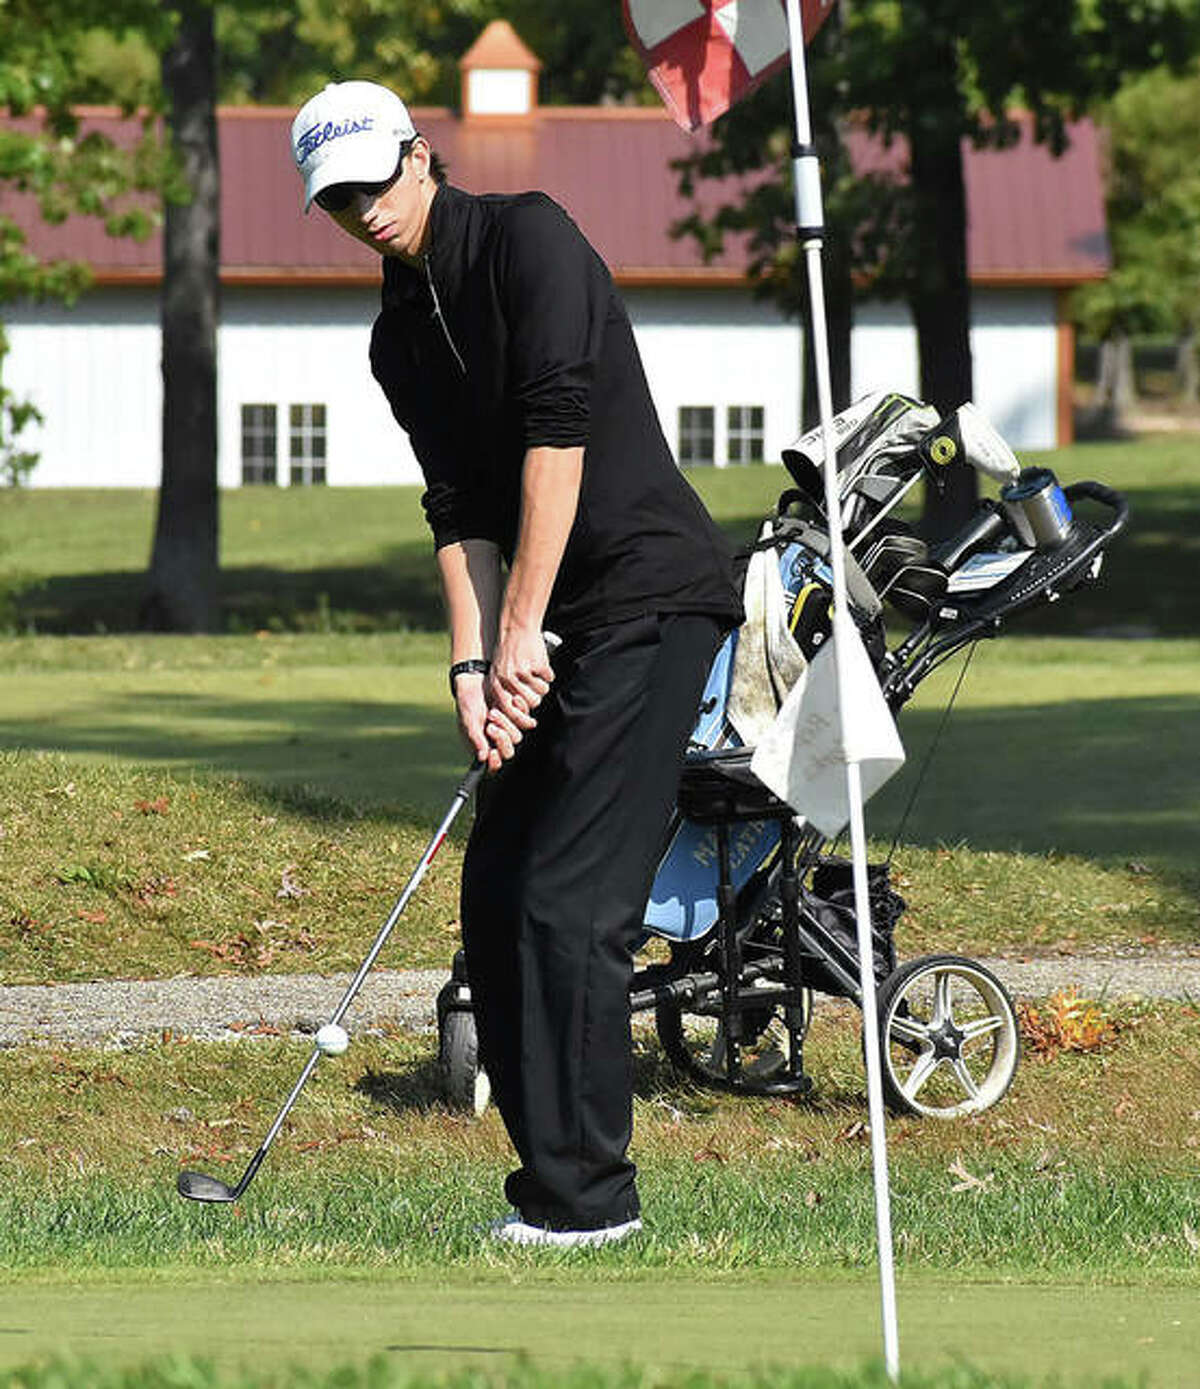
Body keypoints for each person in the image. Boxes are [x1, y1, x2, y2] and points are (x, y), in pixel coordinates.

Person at [291, 81, 743, 1246]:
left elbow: (558, 439)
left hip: (649, 595)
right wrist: (468, 668)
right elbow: (459, 511)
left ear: (420, 154)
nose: (365, 209)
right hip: (548, 620)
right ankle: (552, 1189)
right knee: (495, 905)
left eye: (376, 180)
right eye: (338, 198)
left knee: (572, 904)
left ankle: (589, 1204)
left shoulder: (530, 239)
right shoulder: (399, 338)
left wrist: (522, 631)